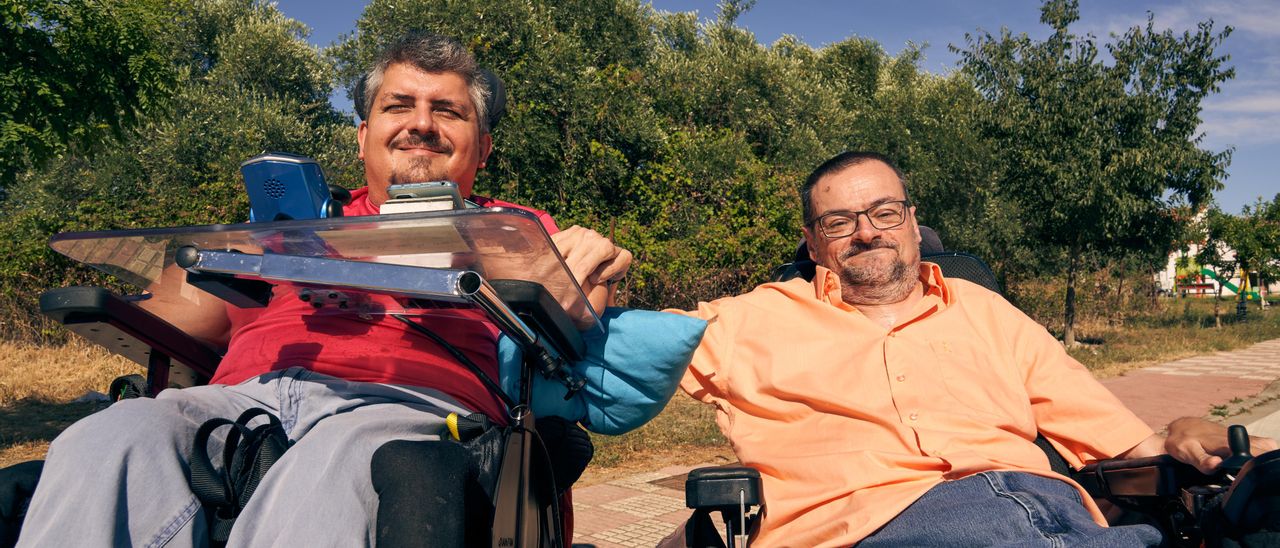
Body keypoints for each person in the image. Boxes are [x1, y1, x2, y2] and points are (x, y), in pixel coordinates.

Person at [17, 32, 631, 546]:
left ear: (483, 146)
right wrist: (206, 253)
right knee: (108, 439)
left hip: (404, 404)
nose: (421, 124)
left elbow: (578, 310)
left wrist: (585, 274)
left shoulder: (511, 227)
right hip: (242, 399)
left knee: (342, 458)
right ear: (363, 135)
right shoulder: (300, 227)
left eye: (447, 110)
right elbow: (178, 318)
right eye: (399, 106)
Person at [674, 151, 1276, 546]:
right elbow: (598, 341)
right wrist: (579, 278)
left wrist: (1190, 430)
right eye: (839, 222)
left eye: (885, 212)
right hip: (870, 531)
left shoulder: (986, 310)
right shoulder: (748, 319)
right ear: (811, 242)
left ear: (913, 222)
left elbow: (1131, 446)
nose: (867, 232)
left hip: (1057, 521)